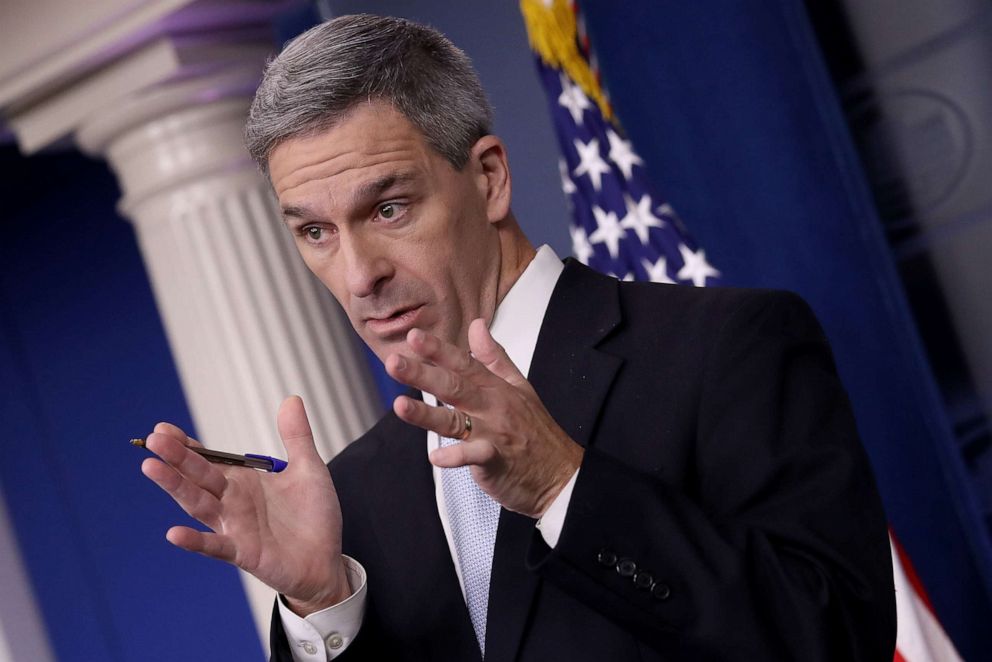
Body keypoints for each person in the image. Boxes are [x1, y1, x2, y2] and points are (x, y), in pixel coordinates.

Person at [138, 13, 896, 662]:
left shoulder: (726, 348)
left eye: (389, 209)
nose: (359, 273)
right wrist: (324, 605)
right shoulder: (353, 495)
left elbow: (836, 637)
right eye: (315, 231)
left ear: (491, 178)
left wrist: (567, 486)